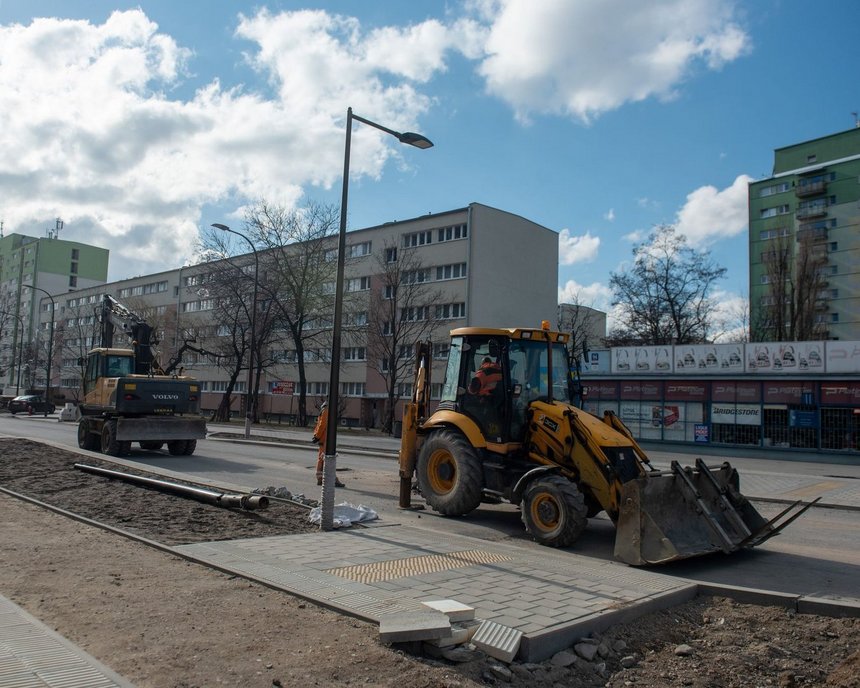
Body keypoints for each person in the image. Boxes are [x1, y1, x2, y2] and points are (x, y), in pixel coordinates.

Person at [312, 402, 344, 487]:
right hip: (326, 439)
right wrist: (317, 436)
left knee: (322, 459)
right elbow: (322, 425)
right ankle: (333, 479)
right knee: (329, 459)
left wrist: (316, 436)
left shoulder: (324, 409)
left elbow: (320, 425)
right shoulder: (327, 410)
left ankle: (320, 478)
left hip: (324, 438)